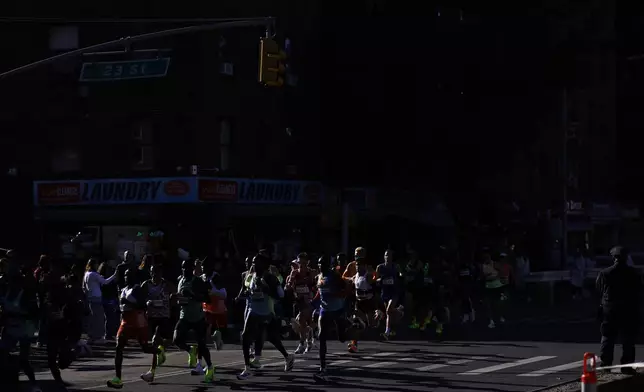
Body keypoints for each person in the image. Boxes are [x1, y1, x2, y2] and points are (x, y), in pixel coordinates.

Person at [237, 254, 294, 380]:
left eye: (256, 262)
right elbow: (248, 290)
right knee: (246, 337)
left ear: (264, 265)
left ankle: (287, 356)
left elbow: (281, 295)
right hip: (253, 310)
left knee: (271, 337)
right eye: (253, 262)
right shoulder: (251, 276)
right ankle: (247, 368)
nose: (253, 265)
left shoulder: (270, 278)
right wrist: (244, 294)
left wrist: (266, 289)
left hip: (266, 311)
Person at [107, 268, 163, 389]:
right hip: (125, 322)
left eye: (129, 275)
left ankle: (159, 352)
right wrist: (119, 308)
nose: (126, 277)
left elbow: (142, 305)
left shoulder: (137, 289)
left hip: (138, 322)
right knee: (118, 347)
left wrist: (127, 301)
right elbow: (123, 305)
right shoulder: (123, 289)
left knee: (145, 348)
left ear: (134, 277)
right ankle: (118, 379)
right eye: (125, 275)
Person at [596, 246, 641, 374]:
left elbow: (599, 290)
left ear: (613, 257)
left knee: (607, 337)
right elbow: (639, 291)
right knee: (628, 340)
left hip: (610, 310)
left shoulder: (605, 273)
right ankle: (626, 366)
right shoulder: (633, 273)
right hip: (628, 310)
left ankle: (606, 365)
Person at [172, 259, 215, 382]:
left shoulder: (197, 281)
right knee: (176, 339)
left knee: (202, 345)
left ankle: (210, 368)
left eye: (187, 268)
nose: (184, 270)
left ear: (192, 269)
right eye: (183, 267)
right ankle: (190, 350)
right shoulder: (181, 280)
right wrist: (175, 297)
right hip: (184, 316)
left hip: (197, 317)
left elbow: (207, 299)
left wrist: (192, 295)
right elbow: (181, 296)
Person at [313, 256, 349, 382]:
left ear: (328, 265)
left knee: (342, 338)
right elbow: (319, 292)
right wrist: (313, 302)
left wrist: (337, 295)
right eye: (319, 263)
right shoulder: (319, 276)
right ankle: (323, 367)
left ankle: (351, 324)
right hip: (325, 310)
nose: (320, 266)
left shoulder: (334, 276)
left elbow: (345, 289)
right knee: (322, 336)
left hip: (337, 309)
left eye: (323, 264)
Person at [141, 264, 174, 368]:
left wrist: (171, 299)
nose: (154, 274)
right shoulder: (146, 284)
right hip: (151, 316)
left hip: (163, 315)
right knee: (154, 340)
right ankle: (153, 366)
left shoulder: (166, 284)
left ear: (161, 273)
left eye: (157, 272)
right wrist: (147, 302)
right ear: (150, 273)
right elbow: (141, 298)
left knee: (167, 340)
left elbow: (176, 294)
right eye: (152, 272)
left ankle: (161, 350)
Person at [286, 253, 316, 354]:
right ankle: (309, 339)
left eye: (304, 263)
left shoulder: (312, 273)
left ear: (308, 263)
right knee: (303, 324)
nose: (301, 265)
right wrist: (289, 285)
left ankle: (302, 344)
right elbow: (289, 285)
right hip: (299, 302)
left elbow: (318, 286)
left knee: (301, 320)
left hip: (310, 301)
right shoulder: (294, 273)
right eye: (299, 263)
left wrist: (312, 292)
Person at [83, 258, 118, 344]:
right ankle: (97, 337)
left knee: (93, 317)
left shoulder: (86, 274)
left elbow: (84, 287)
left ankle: (91, 336)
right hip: (97, 297)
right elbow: (105, 282)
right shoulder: (94, 274)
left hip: (91, 297)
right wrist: (114, 275)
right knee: (99, 318)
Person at [376, 249, 403, 340]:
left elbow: (400, 274)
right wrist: (380, 280)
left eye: (390, 255)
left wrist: (400, 275)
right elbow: (375, 279)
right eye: (386, 255)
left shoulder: (396, 266)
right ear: (384, 256)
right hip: (385, 292)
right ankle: (399, 311)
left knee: (388, 310)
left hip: (394, 291)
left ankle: (386, 332)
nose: (388, 257)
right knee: (389, 313)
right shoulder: (380, 267)